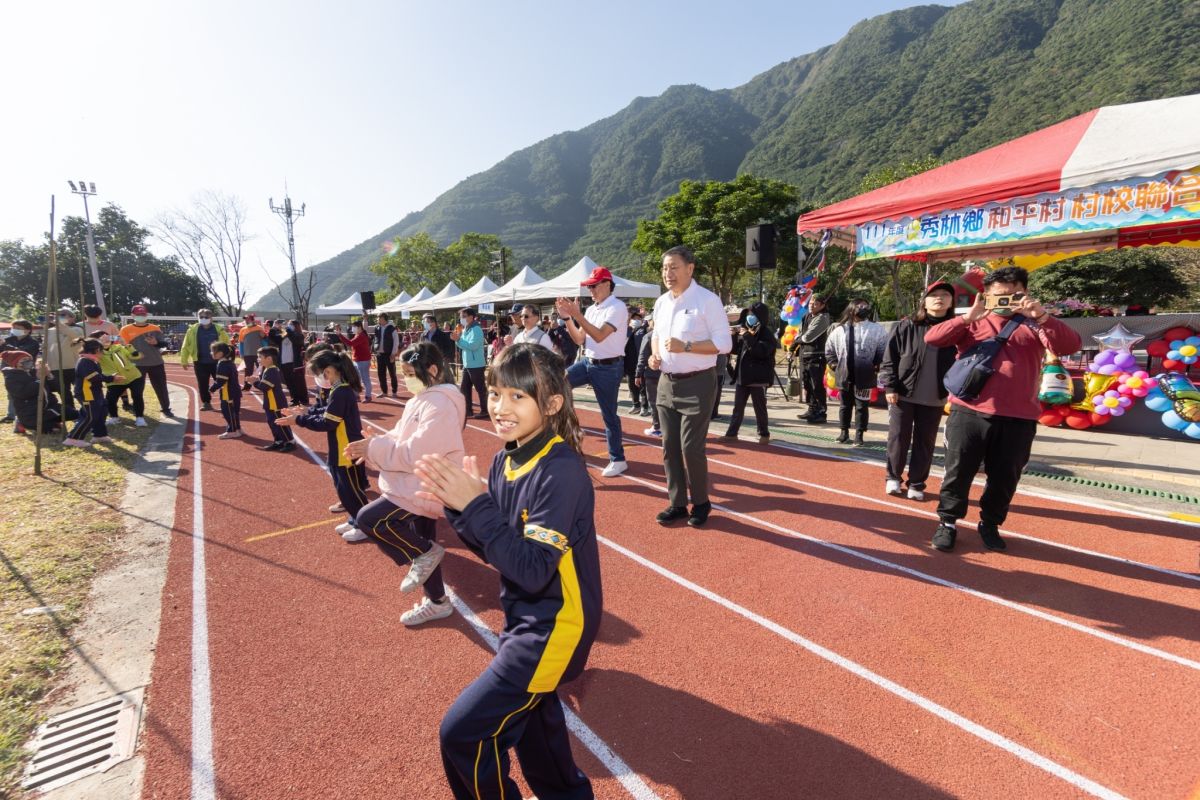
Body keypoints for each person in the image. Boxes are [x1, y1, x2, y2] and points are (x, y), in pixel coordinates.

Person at [413, 343, 600, 800]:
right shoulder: (504, 460)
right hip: (525, 617)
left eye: (518, 396)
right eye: (496, 394)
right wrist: (461, 509)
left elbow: (533, 569)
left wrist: (475, 504)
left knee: (463, 733)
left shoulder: (561, 472)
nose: (500, 406)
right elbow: (499, 549)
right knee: (538, 730)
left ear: (552, 404)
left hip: (555, 626)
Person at [926, 266, 1082, 553]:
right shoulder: (973, 321)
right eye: (1000, 296)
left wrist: (1042, 316)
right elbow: (932, 338)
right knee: (958, 472)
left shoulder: (1035, 323)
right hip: (969, 411)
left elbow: (1070, 345)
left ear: (1026, 293)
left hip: (1019, 417)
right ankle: (947, 522)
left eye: (1015, 295)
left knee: (1005, 477)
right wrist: (967, 318)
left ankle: (990, 524)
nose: (1007, 301)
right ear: (986, 295)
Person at [344, 342, 466, 623]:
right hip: (415, 480)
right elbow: (403, 438)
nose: (406, 379)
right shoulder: (423, 399)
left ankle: (424, 556)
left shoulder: (441, 403)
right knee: (424, 543)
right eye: (405, 372)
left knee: (369, 520)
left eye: (411, 372)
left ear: (432, 370)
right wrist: (374, 443)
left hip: (421, 483)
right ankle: (437, 601)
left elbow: (416, 451)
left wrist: (374, 448)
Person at [648, 246, 733, 527]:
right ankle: (677, 504)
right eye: (664, 268)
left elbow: (724, 344)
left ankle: (701, 502)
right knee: (669, 446)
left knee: (690, 447)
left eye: (673, 267)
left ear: (690, 269)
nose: (667, 273)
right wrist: (654, 354)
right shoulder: (661, 302)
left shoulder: (707, 300)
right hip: (666, 382)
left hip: (698, 383)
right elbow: (657, 335)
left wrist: (687, 346)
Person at [277, 350, 370, 536]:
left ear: (328, 371)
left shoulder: (341, 391)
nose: (319, 378)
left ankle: (365, 526)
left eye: (319, 374)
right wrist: (306, 412)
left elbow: (328, 422)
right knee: (343, 489)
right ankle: (355, 519)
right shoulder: (337, 389)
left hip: (347, 449)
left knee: (351, 491)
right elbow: (326, 411)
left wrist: (298, 420)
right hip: (340, 446)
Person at [878, 282, 957, 500]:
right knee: (898, 437)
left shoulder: (957, 329)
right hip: (903, 393)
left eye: (945, 295)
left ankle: (917, 483)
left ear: (951, 301)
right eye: (934, 295)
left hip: (936, 396)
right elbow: (889, 358)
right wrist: (891, 386)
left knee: (925, 441)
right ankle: (893, 477)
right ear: (924, 300)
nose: (939, 298)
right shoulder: (907, 325)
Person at [556, 266, 630, 477]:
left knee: (609, 415)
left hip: (609, 367)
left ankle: (618, 458)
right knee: (557, 384)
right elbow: (580, 339)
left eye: (594, 286)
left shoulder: (617, 307)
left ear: (607, 284)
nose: (591, 290)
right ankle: (568, 434)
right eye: (589, 286)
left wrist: (577, 315)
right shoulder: (591, 310)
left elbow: (598, 336)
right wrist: (568, 318)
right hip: (588, 362)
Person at [825, 298, 886, 446]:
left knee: (862, 406)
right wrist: (834, 365)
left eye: (866, 306)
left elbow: (883, 348)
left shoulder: (876, 329)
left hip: (864, 374)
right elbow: (829, 349)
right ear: (852, 309)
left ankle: (859, 435)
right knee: (844, 405)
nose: (864, 308)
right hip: (844, 374)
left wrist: (876, 364)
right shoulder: (840, 329)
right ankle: (843, 432)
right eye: (860, 306)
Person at [722, 301, 776, 445]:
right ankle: (732, 433)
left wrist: (746, 336)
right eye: (748, 314)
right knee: (738, 407)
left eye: (753, 314)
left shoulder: (766, 333)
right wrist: (733, 336)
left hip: (758, 376)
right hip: (743, 375)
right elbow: (734, 350)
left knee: (760, 407)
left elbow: (761, 351)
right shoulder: (746, 330)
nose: (750, 316)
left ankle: (764, 433)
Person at [64, 338, 125, 447]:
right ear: (97, 350)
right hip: (87, 393)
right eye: (102, 350)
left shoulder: (91, 361)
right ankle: (73, 438)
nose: (103, 353)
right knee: (89, 416)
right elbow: (93, 377)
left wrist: (110, 377)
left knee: (101, 412)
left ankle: (99, 435)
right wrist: (111, 378)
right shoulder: (84, 362)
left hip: (95, 392)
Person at [120, 305, 175, 419]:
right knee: (137, 389)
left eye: (143, 314)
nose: (141, 316)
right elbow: (122, 347)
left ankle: (166, 408)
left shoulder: (155, 328)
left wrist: (156, 343)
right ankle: (138, 409)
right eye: (138, 314)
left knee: (161, 387)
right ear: (133, 315)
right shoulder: (125, 329)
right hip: (137, 364)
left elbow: (164, 344)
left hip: (156, 363)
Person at [179, 309, 231, 412]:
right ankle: (206, 403)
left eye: (206, 317)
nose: (203, 319)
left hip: (218, 362)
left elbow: (227, 344)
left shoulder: (219, 329)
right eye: (201, 317)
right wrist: (184, 360)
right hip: (200, 362)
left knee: (223, 382)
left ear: (211, 318)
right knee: (202, 384)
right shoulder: (192, 330)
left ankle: (226, 402)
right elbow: (185, 346)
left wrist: (228, 358)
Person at [90, 332, 144, 427]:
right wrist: (97, 347)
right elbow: (93, 358)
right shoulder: (98, 353)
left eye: (108, 338)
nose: (106, 340)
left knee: (137, 395)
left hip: (133, 377)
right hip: (115, 379)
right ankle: (114, 417)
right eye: (102, 339)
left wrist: (126, 345)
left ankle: (140, 418)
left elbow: (137, 356)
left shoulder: (119, 347)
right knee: (110, 400)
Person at [792, 295, 832, 424]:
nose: (811, 305)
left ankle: (821, 412)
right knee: (807, 384)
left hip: (816, 355)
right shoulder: (807, 316)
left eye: (815, 303)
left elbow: (808, 337)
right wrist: (794, 347)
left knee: (817, 385)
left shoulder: (823, 318)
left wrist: (797, 341)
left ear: (822, 305)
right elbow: (799, 333)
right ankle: (811, 409)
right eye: (811, 303)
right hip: (805, 354)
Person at [2, 351, 61, 434]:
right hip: (30, 412)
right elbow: (23, 393)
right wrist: (39, 380)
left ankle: (50, 421)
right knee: (52, 430)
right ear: (16, 363)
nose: (28, 361)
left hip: (48, 406)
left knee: (72, 414)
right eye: (24, 359)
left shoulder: (33, 371)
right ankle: (23, 423)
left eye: (29, 359)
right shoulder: (11, 377)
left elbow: (55, 388)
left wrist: (49, 375)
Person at [252, 346, 295, 452]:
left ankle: (290, 442)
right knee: (272, 423)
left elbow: (265, 386)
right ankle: (279, 441)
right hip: (270, 403)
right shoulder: (267, 369)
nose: (258, 359)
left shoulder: (272, 371)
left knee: (280, 422)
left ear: (269, 358)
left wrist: (254, 382)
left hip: (276, 403)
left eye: (260, 357)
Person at [46, 308, 84, 420]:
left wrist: (59, 325)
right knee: (64, 392)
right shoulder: (49, 331)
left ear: (72, 318)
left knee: (80, 391)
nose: (59, 317)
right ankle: (72, 414)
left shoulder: (77, 329)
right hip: (56, 367)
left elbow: (76, 338)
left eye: (63, 315)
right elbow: (47, 348)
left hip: (74, 365)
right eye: (57, 315)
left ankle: (89, 411)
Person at [2, 320, 39, 424]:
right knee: (11, 393)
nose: (15, 330)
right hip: (9, 371)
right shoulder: (8, 339)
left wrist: (6, 347)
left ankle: (23, 417)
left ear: (27, 330)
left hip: (25, 372)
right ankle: (11, 415)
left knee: (24, 394)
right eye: (14, 327)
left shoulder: (33, 343)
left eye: (18, 328)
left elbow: (22, 354)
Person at [455, 307, 488, 419]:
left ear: (471, 317)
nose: (461, 319)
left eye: (463, 316)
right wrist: (457, 339)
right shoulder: (466, 329)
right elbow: (463, 345)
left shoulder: (476, 329)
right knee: (464, 388)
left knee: (480, 388)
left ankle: (485, 410)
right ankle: (468, 410)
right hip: (468, 364)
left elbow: (473, 346)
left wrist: (458, 340)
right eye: (461, 317)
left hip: (476, 364)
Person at [267, 319, 310, 406]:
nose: (288, 326)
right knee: (289, 382)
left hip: (295, 364)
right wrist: (274, 328)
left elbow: (295, 340)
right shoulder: (284, 335)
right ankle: (294, 399)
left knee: (299, 382)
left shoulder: (299, 335)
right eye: (288, 324)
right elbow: (273, 338)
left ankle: (304, 399)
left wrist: (289, 331)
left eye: (291, 324)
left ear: (296, 326)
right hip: (284, 362)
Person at [208, 342, 243, 439]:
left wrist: (212, 388)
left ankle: (232, 430)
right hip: (235, 392)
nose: (211, 353)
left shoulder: (223, 365)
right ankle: (238, 428)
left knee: (227, 412)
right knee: (234, 411)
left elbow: (221, 381)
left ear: (220, 353)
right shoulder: (229, 362)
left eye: (213, 351)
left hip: (228, 393)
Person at [635, 316, 661, 435]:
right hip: (667, 374)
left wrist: (638, 374)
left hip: (653, 374)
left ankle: (657, 427)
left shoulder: (649, 336)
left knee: (654, 401)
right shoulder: (669, 336)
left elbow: (642, 356)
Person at [339, 320, 374, 402]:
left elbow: (350, 343)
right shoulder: (358, 335)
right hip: (357, 360)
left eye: (354, 327)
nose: (352, 329)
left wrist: (340, 335)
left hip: (363, 361)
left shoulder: (361, 336)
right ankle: (356, 396)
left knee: (365, 379)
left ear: (359, 327)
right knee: (356, 378)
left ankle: (368, 396)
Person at [236, 314, 267, 391]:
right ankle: (247, 386)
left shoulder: (259, 328)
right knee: (248, 370)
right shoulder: (242, 330)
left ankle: (263, 385)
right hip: (247, 354)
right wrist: (242, 353)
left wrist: (265, 351)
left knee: (261, 370)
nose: (246, 321)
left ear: (253, 320)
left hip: (259, 354)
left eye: (248, 319)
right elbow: (241, 343)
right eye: (245, 320)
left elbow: (264, 341)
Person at [624, 309, 647, 414]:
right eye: (634, 318)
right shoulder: (627, 330)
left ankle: (644, 407)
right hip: (629, 363)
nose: (636, 320)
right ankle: (636, 405)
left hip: (640, 363)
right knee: (632, 386)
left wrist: (645, 320)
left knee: (642, 386)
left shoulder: (643, 331)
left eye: (638, 318)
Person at [373, 313, 400, 397]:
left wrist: (393, 354)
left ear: (384, 319)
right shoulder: (377, 327)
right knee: (381, 374)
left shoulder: (392, 328)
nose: (378, 320)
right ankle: (384, 392)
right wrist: (365, 320)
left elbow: (396, 342)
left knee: (392, 374)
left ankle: (394, 392)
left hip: (389, 354)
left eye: (379, 318)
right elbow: (366, 329)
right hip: (380, 354)